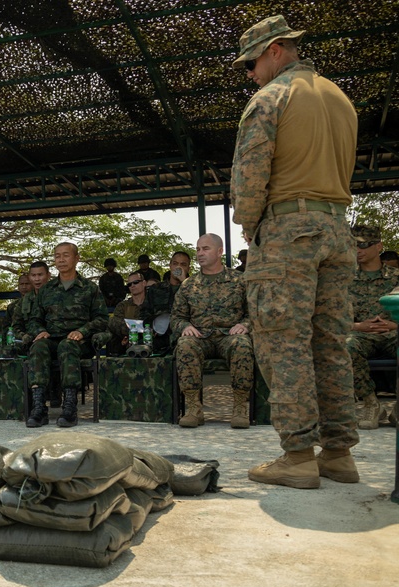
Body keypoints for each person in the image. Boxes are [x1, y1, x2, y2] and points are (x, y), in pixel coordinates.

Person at [231, 15, 359, 488]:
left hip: (287, 233)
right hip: (335, 228)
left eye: (251, 63)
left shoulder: (270, 98)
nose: (250, 73)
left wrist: (248, 224)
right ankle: (339, 453)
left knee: (282, 340)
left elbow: (251, 170)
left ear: (276, 50)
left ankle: (298, 456)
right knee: (330, 343)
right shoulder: (339, 99)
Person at [172, 234, 254, 429]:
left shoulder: (240, 280)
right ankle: (194, 408)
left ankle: (240, 407)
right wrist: (186, 327)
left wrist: (246, 325)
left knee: (242, 344)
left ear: (220, 251)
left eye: (206, 249)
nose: (200, 253)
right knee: (184, 344)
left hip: (230, 336)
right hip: (201, 337)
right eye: (198, 249)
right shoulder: (188, 285)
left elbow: (255, 312)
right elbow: (176, 318)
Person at [25, 242, 108, 428]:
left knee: (67, 345)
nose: (61, 260)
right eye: (57, 256)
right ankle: (39, 407)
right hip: (51, 339)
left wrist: (82, 331)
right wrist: (40, 331)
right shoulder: (47, 289)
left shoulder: (89, 288)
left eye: (66, 255)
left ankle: (69, 407)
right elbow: (33, 319)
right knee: (37, 346)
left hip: (79, 342)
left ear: (77, 258)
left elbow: (102, 319)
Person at [346, 225, 399, 429]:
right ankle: (370, 403)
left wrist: (394, 324)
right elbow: (334, 317)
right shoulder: (345, 279)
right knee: (347, 346)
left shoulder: (396, 277)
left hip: (392, 331)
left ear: (378, 246)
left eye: (363, 245)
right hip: (360, 334)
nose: (358, 250)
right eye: (353, 245)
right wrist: (359, 326)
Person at [140, 251, 191, 355]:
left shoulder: (193, 289)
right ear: (170, 266)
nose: (178, 268)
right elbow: (144, 313)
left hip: (184, 339)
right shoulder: (156, 288)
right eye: (175, 264)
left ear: (188, 268)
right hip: (158, 338)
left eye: (183, 265)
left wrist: (184, 282)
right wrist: (150, 329)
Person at [106, 272, 148, 355]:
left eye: (136, 282)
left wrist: (131, 326)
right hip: (127, 347)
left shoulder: (152, 303)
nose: (132, 285)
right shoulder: (123, 306)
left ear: (144, 283)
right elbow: (115, 324)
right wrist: (142, 327)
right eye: (129, 284)